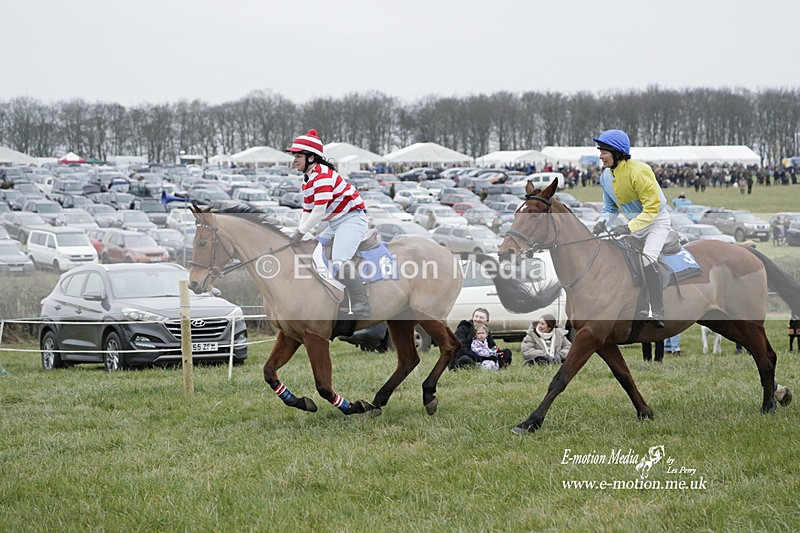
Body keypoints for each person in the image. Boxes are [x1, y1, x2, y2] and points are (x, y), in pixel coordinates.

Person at [286, 129, 371, 318]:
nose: (294, 160)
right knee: (314, 251)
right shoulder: (308, 178)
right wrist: (302, 232)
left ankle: (361, 303)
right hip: (336, 223)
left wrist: (300, 232)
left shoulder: (323, 176)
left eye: (298, 156)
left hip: (352, 220)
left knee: (340, 262)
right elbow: (307, 210)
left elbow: (319, 211)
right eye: (294, 156)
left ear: (311, 158)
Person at [591, 129, 671, 327]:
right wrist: (603, 222)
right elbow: (610, 208)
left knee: (647, 260)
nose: (600, 156)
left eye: (604, 152)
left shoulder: (640, 171)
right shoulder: (605, 177)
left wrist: (628, 228)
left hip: (656, 223)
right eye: (600, 151)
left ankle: (656, 310)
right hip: (635, 226)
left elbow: (652, 209)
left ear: (617, 153)